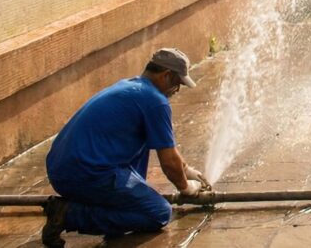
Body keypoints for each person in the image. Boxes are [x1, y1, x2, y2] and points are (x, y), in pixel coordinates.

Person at [41, 48, 209, 247]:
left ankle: (118, 206)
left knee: (144, 139)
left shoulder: (130, 87)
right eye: (177, 84)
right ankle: (69, 215)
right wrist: (186, 187)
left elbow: (168, 150)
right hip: (85, 175)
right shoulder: (156, 102)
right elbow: (168, 162)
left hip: (60, 169)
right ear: (166, 76)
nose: (177, 90)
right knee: (158, 212)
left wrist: (186, 169)